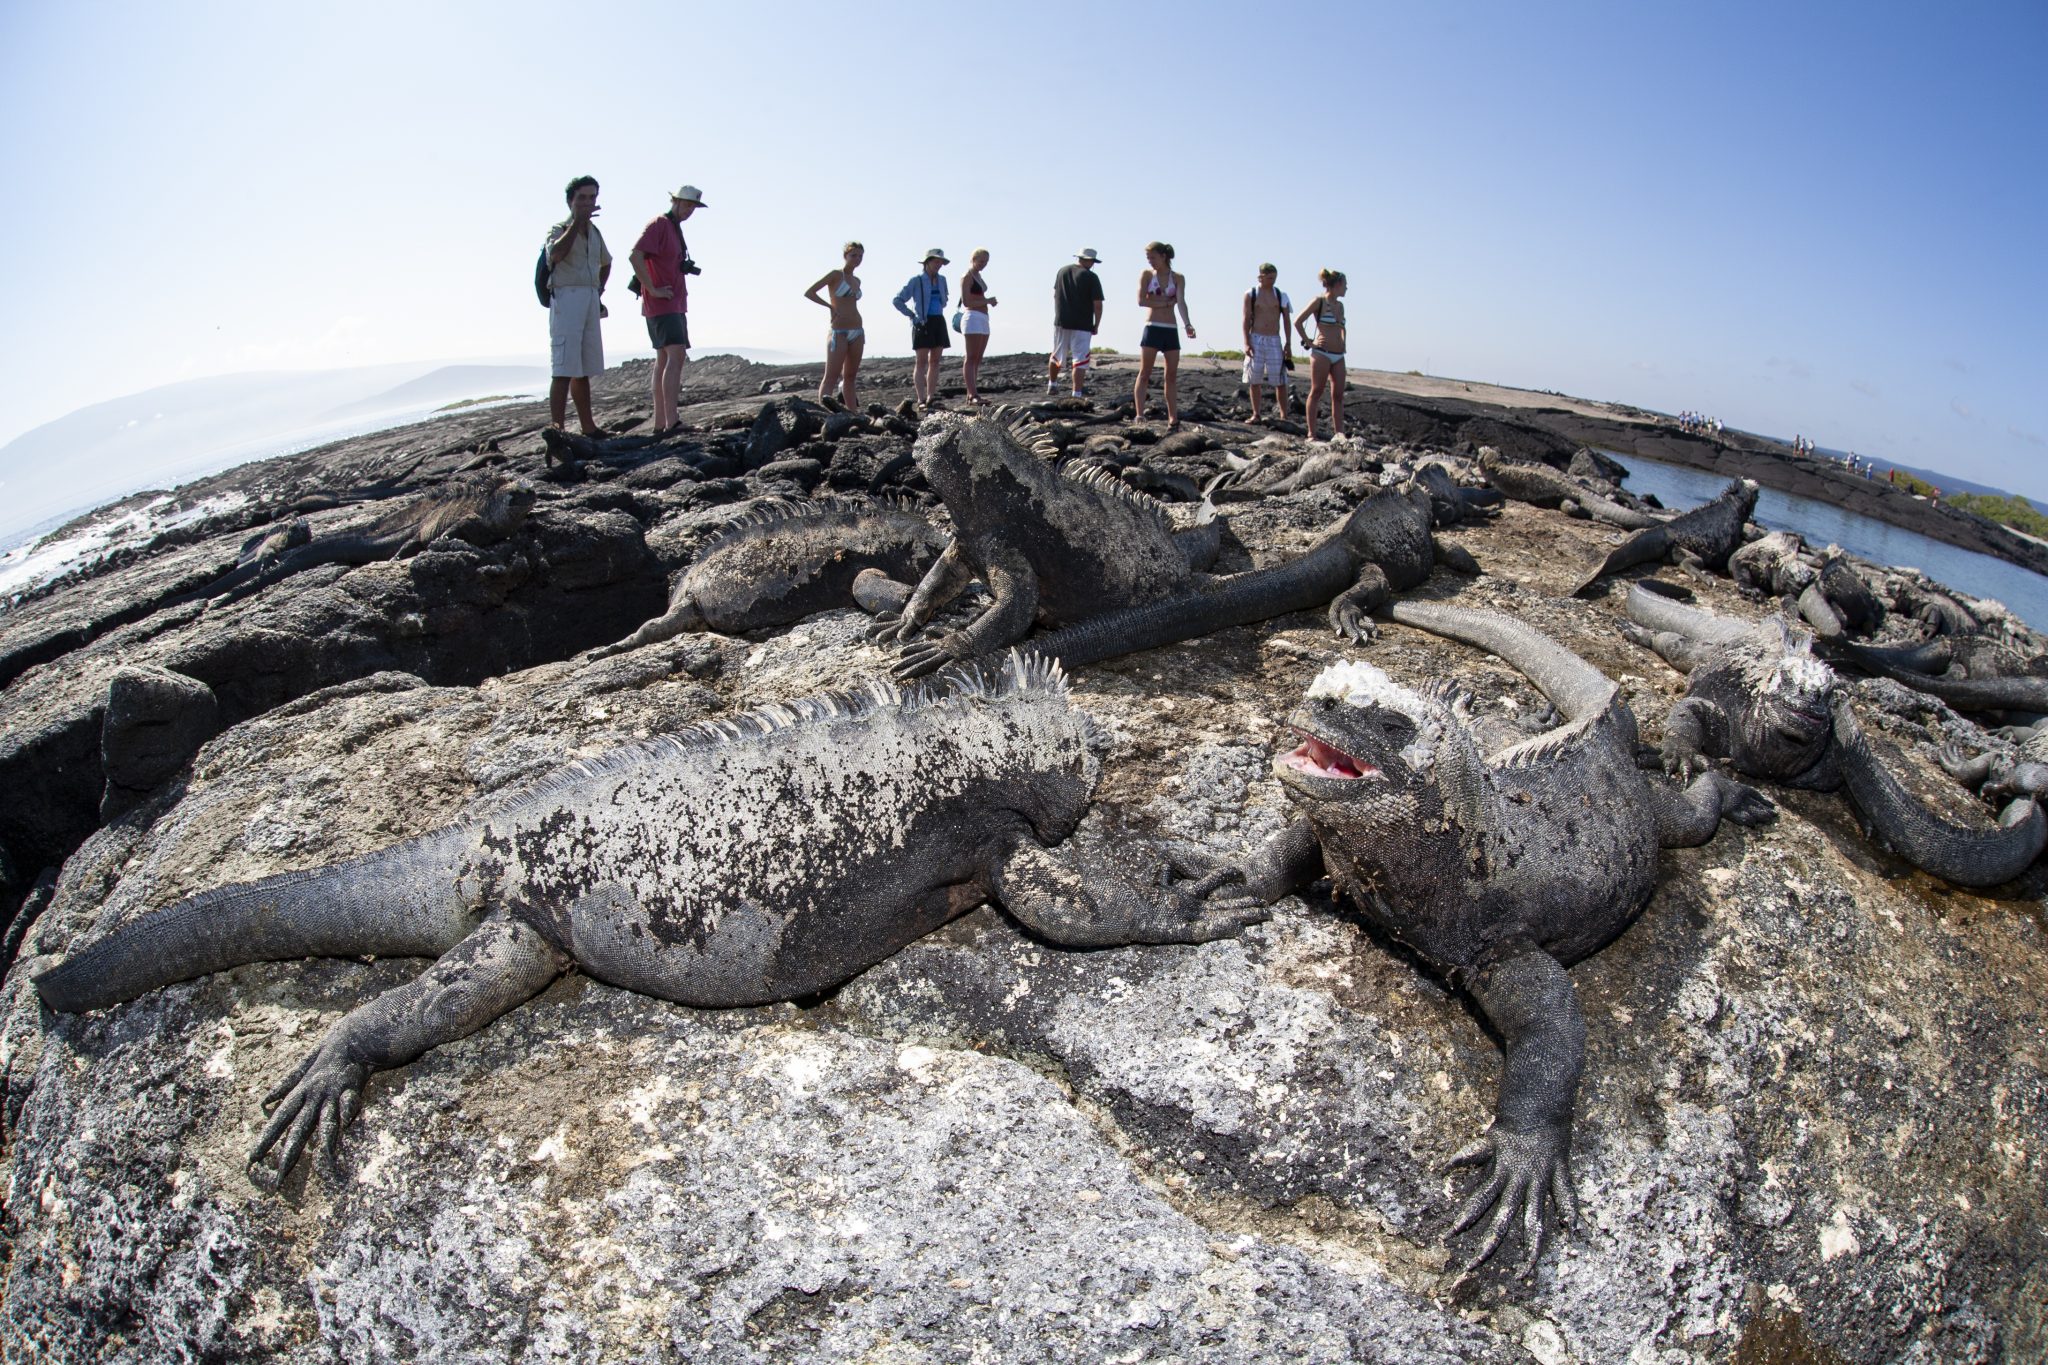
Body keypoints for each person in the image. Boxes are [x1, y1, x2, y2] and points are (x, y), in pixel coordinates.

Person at [629, 184, 704, 435]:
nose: (690, 210)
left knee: (664, 358)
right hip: (663, 304)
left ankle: (661, 423)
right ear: (675, 201)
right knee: (676, 355)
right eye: (687, 205)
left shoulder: (673, 228)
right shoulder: (660, 224)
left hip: (673, 303)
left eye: (693, 207)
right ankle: (672, 421)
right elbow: (635, 256)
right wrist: (652, 288)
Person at [543, 175, 612, 436]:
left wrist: (599, 289)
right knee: (563, 368)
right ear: (571, 201)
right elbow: (556, 254)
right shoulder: (559, 229)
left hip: (588, 295)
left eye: (592, 197)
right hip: (566, 296)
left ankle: (588, 426)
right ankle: (557, 431)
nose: (588, 202)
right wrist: (577, 223)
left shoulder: (594, 232)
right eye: (582, 198)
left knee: (582, 368)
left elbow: (607, 262)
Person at [1132, 242, 1196, 430]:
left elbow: (1181, 302)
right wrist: (1166, 303)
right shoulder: (1146, 275)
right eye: (1148, 258)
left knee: (1171, 375)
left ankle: (1173, 418)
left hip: (1170, 329)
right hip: (1152, 327)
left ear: (1163, 256)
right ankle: (1139, 414)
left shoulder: (1177, 278)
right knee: (1145, 373)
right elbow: (1141, 301)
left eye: (1153, 257)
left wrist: (1188, 324)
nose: (1150, 261)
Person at [804, 241, 866, 409]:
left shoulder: (857, 280)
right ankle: (824, 413)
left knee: (850, 377)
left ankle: (853, 415)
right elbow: (810, 292)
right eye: (853, 255)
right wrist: (829, 306)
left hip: (857, 331)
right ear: (845, 256)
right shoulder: (835, 275)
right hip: (838, 331)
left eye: (860, 256)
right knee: (831, 376)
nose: (857, 259)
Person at [1294, 269, 1348, 441]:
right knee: (1316, 391)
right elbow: (1298, 321)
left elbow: (1341, 327)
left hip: (1338, 355)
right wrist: (1309, 342)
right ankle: (1312, 434)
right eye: (1345, 285)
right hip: (1321, 354)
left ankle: (1339, 435)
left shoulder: (1340, 305)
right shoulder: (1319, 301)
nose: (1347, 288)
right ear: (1337, 285)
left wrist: (1343, 342)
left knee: (1338, 395)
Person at [893, 249, 951, 406]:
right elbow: (897, 300)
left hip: (938, 321)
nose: (938, 265)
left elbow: (944, 299)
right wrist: (912, 315)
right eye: (935, 261)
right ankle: (921, 398)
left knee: (935, 361)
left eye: (940, 262)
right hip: (922, 323)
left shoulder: (942, 280)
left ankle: (931, 396)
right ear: (927, 262)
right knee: (921, 362)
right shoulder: (916, 280)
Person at [1048, 248, 1105, 397]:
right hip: (1082, 322)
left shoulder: (1062, 271)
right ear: (1089, 261)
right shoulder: (1091, 277)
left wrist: (1059, 312)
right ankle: (1076, 393)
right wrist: (1096, 324)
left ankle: (1052, 384)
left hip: (1061, 320)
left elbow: (1055, 295)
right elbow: (1097, 305)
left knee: (1057, 353)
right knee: (1080, 358)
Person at [1240, 263, 1292, 421]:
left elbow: (1286, 320)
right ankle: (1256, 414)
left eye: (1274, 277)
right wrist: (1246, 342)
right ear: (1261, 277)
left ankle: (1284, 416)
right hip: (1256, 338)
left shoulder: (1280, 295)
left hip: (1274, 339)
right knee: (1255, 378)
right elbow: (1246, 318)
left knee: (1280, 379)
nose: (1273, 281)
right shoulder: (1251, 294)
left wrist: (1288, 343)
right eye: (1270, 278)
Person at [959, 249, 997, 403]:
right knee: (971, 357)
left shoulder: (979, 276)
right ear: (973, 259)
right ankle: (972, 394)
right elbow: (966, 302)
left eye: (986, 262)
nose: (983, 265)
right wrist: (987, 301)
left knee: (978, 358)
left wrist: (987, 302)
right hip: (972, 317)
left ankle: (972, 393)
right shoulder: (967, 276)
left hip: (983, 318)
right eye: (981, 261)